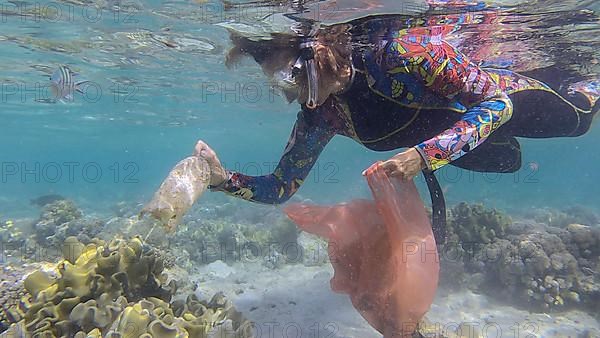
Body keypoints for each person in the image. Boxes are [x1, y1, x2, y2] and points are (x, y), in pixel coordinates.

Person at [193, 15, 599, 240]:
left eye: (295, 79)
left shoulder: (403, 53)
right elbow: (280, 187)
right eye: (282, 86)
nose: (299, 96)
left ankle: (588, 81)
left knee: (578, 121)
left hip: (510, 98)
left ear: (318, 51)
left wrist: (426, 156)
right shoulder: (322, 117)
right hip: (462, 137)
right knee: (506, 160)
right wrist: (221, 179)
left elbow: (497, 103)